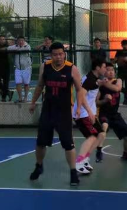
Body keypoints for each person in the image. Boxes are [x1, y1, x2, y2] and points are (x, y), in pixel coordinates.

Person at [28, 42, 94, 187]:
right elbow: (40, 85)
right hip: (48, 110)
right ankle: (39, 166)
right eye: (55, 54)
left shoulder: (72, 68)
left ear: (64, 54)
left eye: (60, 54)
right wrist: (33, 102)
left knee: (68, 144)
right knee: (41, 142)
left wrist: (78, 108)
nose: (58, 57)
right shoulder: (45, 67)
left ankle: (73, 172)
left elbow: (79, 90)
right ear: (51, 55)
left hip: (64, 112)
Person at [72, 59, 108, 175]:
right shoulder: (89, 79)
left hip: (88, 113)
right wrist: (87, 111)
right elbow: (80, 95)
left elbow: (93, 85)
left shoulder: (93, 78)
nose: (105, 70)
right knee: (92, 137)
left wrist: (101, 83)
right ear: (97, 67)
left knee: (101, 134)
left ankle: (85, 159)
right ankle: (79, 162)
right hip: (83, 114)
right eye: (104, 67)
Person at [95, 62, 127, 163]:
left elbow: (117, 88)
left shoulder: (118, 80)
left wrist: (104, 83)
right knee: (104, 126)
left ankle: (126, 153)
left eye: (112, 70)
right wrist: (105, 100)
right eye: (108, 70)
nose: (110, 72)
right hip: (104, 113)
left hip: (115, 114)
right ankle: (99, 151)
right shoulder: (100, 86)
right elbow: (96, 102)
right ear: (104, 72)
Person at [8, 36, 33, 103]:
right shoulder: (15, 46)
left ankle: (25, 98)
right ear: (17, 41)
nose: (21, 42)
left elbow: (25, 49)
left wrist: (16, 49)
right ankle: (20, 98)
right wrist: (16, 48)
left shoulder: (27, 46)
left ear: (24, 41)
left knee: (26, 84)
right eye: (19, 40)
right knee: (18, 83)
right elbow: (9, 48)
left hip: (27, 68)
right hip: (18, 68)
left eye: (22, 40)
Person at [114, 39, 127, 105]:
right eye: (123, 45)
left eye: (126, 44)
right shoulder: (118, 52)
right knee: (118, 85)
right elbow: (115, 60)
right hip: (120, 70)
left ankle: (126, 99)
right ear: (121, 45)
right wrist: (117, 59)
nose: (125, 46)